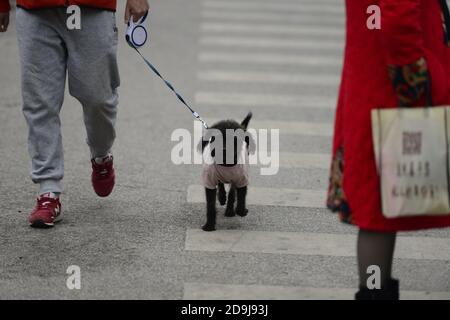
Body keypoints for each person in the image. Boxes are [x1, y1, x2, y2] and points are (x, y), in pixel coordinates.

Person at [327, 0, 450, 299]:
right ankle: (374, 292)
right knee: (377, 215)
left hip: (372, 87)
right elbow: (396, 18)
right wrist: (415, 83)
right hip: (394, 94)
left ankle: (374, 291)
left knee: (376, 214)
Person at [0, 0, 150, 228]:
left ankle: (101, 155)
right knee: (40, 102)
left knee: (98, 99)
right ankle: (48, 190)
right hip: (35, 9)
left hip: (93, 7)